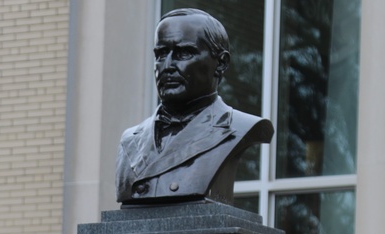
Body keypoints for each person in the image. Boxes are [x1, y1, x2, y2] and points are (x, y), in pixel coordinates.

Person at [115, 8, 273, 204]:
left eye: (183, 53)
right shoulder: (130, 140)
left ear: (221, 63)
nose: (168, 65)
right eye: (161, 54)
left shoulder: (239, 128)